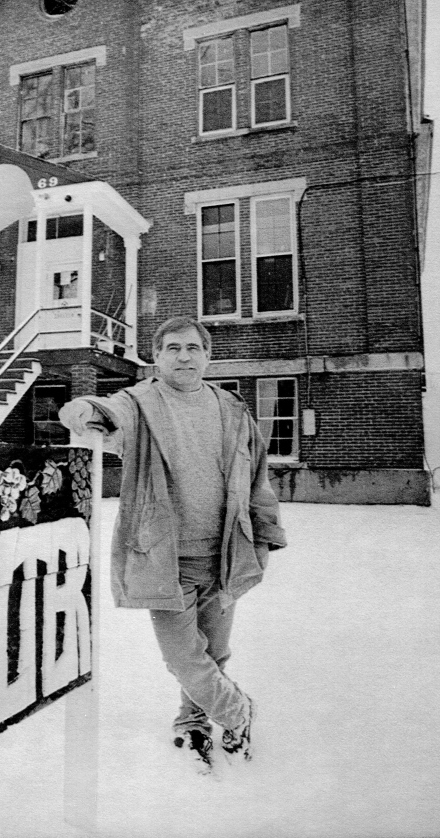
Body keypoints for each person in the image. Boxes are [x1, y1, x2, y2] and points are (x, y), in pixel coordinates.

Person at [59, 316, 287, 773]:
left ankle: (193, 719)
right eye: (173, 349)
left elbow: (257, 478)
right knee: (184, 658)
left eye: (193, 348)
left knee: (213, 652)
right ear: (157, 357)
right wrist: (81, 409)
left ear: (208, 356)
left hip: (227, 552)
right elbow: (103, 410)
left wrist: (266, 536)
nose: (184, 357)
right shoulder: (140, 402)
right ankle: (238, 711)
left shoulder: (232, 408)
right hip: (165, 558)